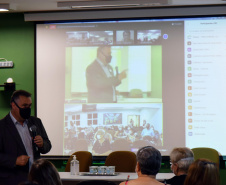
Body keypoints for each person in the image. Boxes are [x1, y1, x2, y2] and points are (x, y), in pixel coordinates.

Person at [0, 90, 52, 185]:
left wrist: (42, 144)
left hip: (36, 179)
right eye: (24, 106)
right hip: (12, 180)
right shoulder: (2, 126)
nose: (27, 109)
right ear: (13, 105)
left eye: (29, 106)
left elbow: (47, 146)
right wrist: (14, 161)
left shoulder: (36, 122)